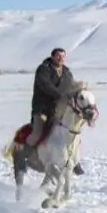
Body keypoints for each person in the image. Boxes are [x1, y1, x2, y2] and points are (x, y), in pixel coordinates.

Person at [15, 47, 85, 175]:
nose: (61, 58)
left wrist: (80, 91)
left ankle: (75, 161)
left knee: (72, 132)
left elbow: (71, 87)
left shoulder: (67, 73)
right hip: (42, 108)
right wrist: (60, 96)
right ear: (52, 56)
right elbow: (46, 86)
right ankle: (23, 158)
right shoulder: (43, 69)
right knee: (37, 133)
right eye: (58, 56)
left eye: (63, 56)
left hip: (59, 110)